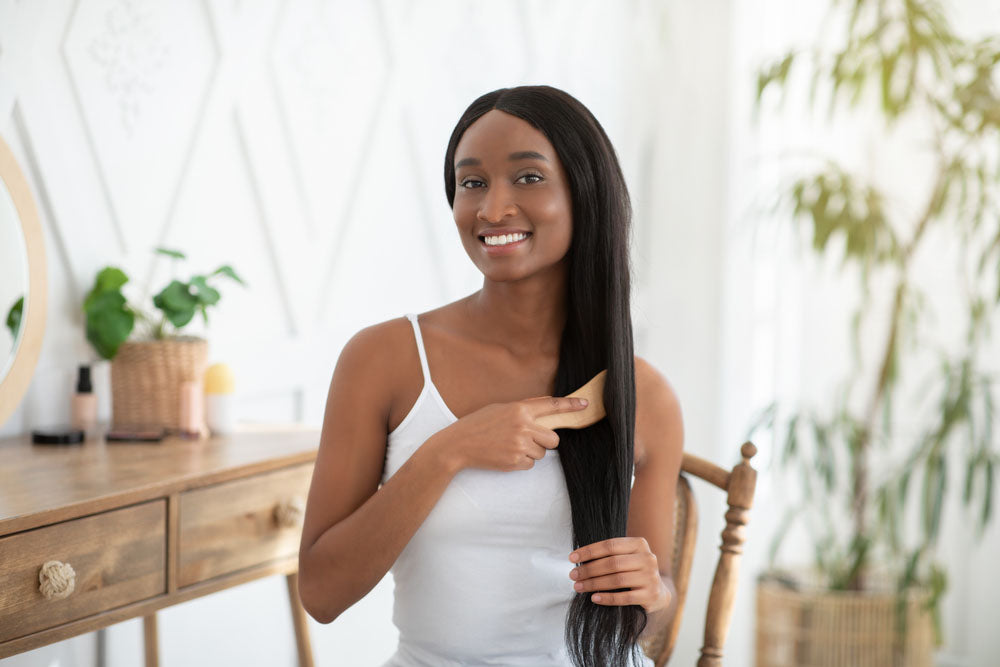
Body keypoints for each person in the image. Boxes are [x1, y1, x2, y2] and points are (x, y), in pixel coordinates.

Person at [297, 85, 684, 667]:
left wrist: (654, 591)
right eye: (472, 182)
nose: (492, 208)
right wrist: (447, 451)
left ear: (586, 192)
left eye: (528, 178)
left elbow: (654, 610)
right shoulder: (383, 361)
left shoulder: (643, 392)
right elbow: (322, 595)